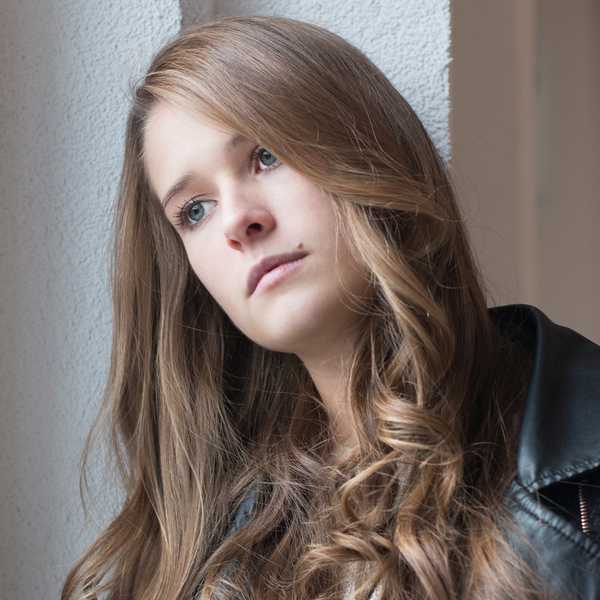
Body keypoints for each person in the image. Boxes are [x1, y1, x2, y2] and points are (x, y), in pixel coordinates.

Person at [62, 15, 600, 600]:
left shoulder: (581, 474)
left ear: (367, 153)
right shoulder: (207, 547)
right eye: (195, 210)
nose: (238, 221)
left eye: (266, 155)